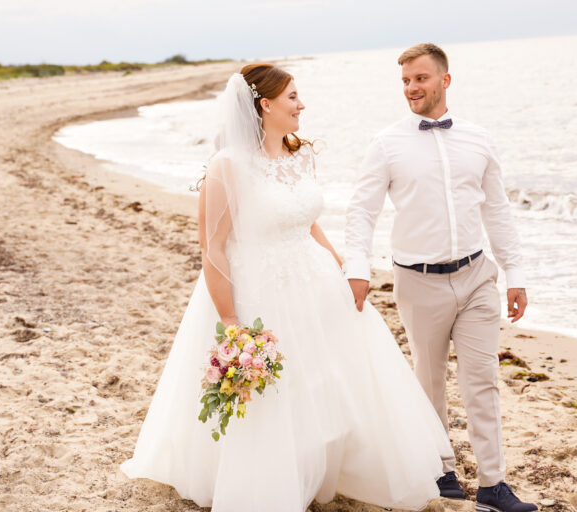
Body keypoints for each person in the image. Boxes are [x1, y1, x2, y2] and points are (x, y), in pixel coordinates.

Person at [119, 63, 454, 512]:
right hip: (259, 287)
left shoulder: (301, 155)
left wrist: (338, 262)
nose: (301, 105)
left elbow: (307, 218)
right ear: (265, 105)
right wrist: (230, 320)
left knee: (328, 382)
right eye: (293, 97)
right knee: (275, 393)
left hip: (314, 281)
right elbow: (213, 247)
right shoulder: (227, 165)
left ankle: (327, 465)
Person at [345, 44, 537, 512]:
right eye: (406, 81)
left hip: (476, 277)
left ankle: (494, 485)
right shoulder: (386, 143)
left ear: (445, 81)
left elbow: (498, 209)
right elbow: (361, 211)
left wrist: (516, 273)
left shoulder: (478, 138)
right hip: (418, 280)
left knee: (483, 381)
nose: (412, 88)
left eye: (421, 79)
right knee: (427, 381)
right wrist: (357, 270)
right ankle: (441, 467)